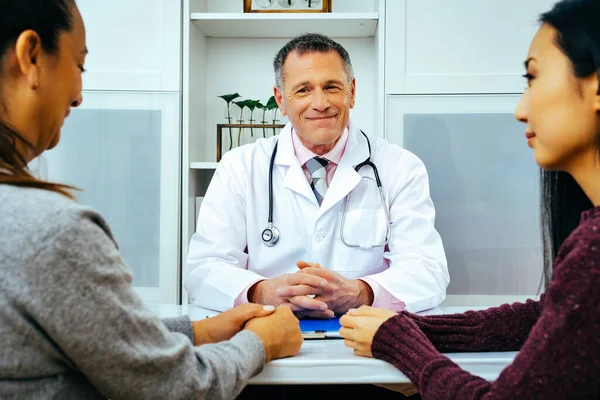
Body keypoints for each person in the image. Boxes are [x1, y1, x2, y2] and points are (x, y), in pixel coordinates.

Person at [0, 1, 302, 399]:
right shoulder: (51, 231)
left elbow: (93, 334)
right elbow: (175, 387)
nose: (78, 96)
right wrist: (261, 342)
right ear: (31, 55)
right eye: (79, 65)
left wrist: (199, 330)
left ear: (352, 94)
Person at [339, 0, 600, 398]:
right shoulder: (588, 239)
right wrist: (411, 328)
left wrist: (399, 341)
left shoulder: (593, 251)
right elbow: (546, 315)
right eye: (303, 89)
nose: (519, 110)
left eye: (533, 78)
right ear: (281, 99)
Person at [185, 33, 449, 318]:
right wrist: (262, 292)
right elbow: (204, 267)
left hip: (367, 337)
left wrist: (360, 292)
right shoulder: (240, 167)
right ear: (280, 100)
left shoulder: (400, 167)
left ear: (352, 92)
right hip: (266, 334)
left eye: (331, 87)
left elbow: (427, 269)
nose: (320, 103)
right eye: (303, 90)